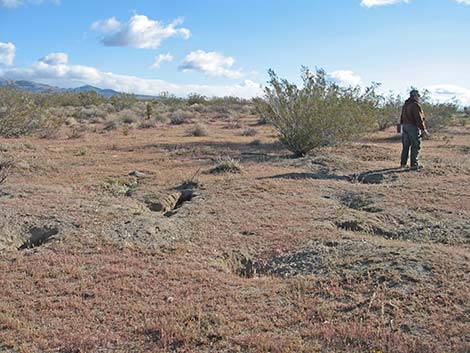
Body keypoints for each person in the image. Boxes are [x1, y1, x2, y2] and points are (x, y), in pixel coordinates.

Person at [400, 89, 430, 170]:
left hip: (405, 127)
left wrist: (401, 129)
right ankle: (414, 165)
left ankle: (403, 164)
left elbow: (401, 118)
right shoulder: (415, 105)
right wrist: (423, 129)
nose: (419, 97)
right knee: (415, 146)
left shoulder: (405, 105)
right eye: (418, 96)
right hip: (412, 127)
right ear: (415, 96)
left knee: (405, 146)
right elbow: (419, 118)